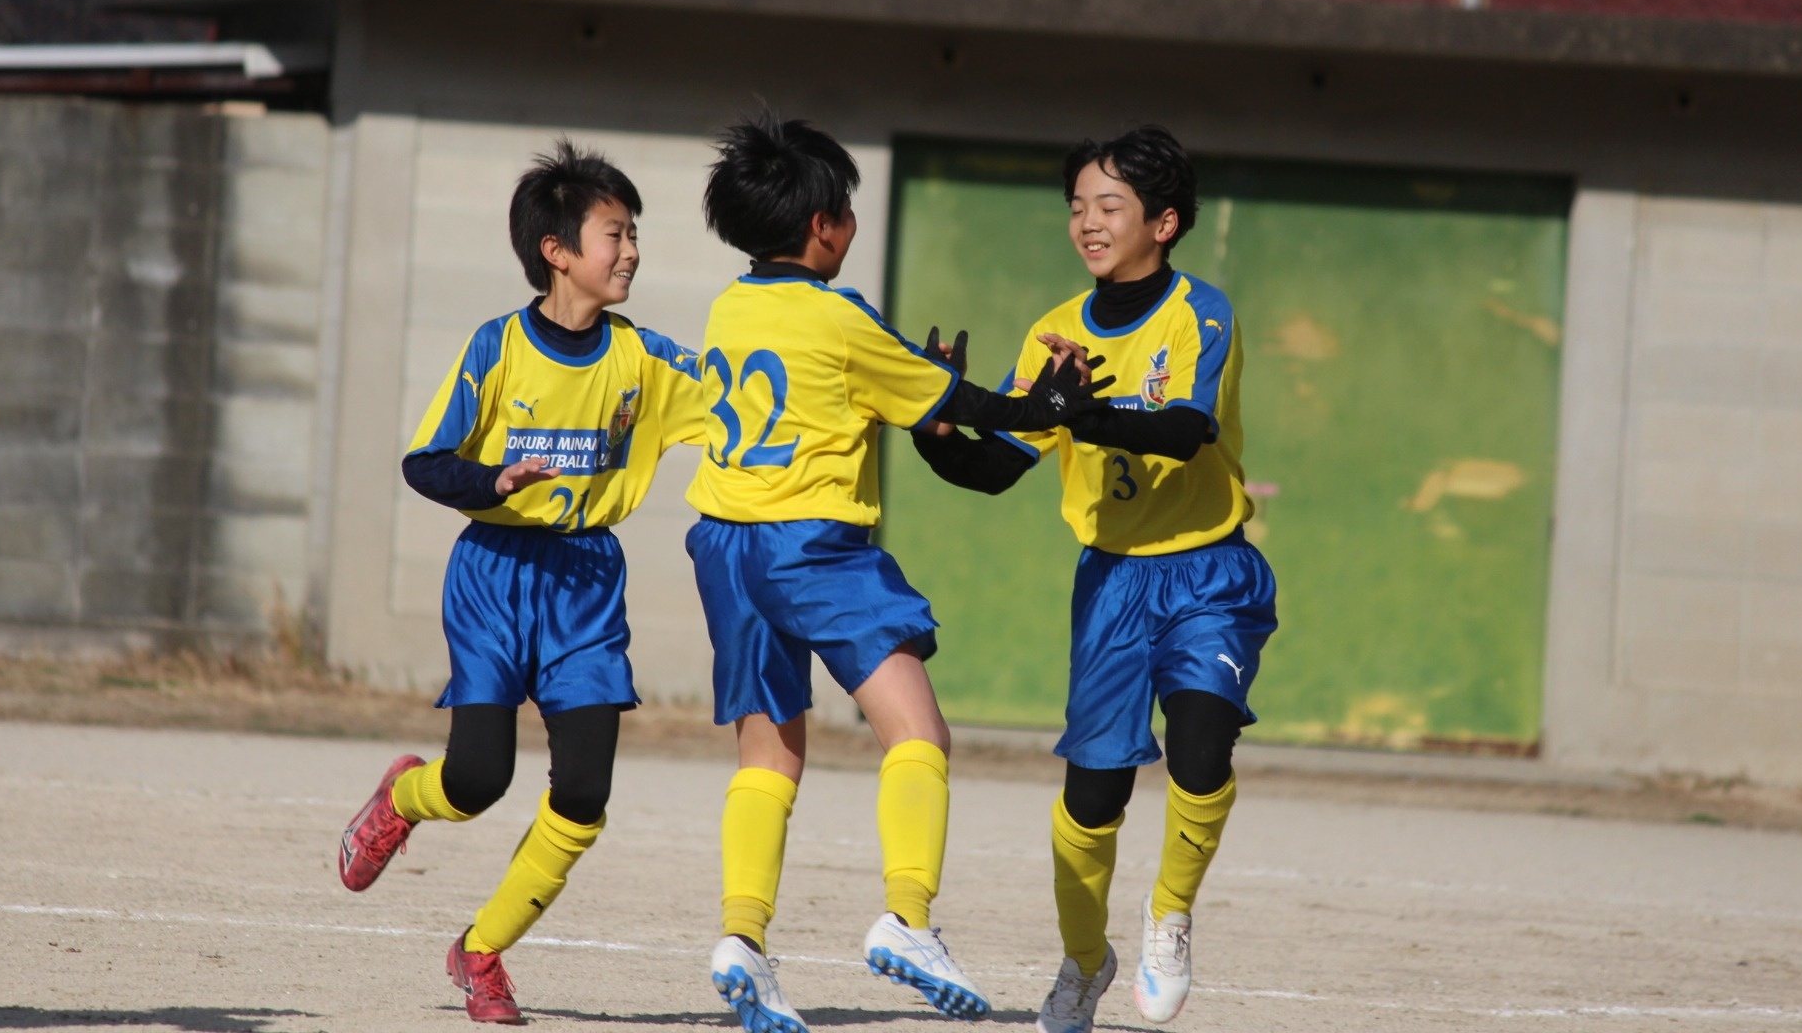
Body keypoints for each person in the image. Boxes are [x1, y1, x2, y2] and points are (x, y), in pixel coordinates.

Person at [686, 111, 1106, 1033]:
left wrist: (927, 385)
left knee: (769, 754)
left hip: (724, 545)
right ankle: (907, 919)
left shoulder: (730, 306)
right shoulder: (840, 315)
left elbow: (905, 394)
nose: (851, 224)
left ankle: (742, 939)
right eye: (846, 210)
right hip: (811, 544)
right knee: (919, 733)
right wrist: (1049, 404)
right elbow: (961, 403)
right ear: (822, 225)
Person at [911, 126, 1277, 1033]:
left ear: (1166, 222)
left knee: (1202, 747)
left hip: (1209, 573)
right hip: (1112, 583)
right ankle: (1084, 961)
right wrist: (936, 432)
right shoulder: (1057, 331)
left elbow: (1185, 430)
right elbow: (997, 467)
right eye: (1077, 206)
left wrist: (1084, 413)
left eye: (1109, 205)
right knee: (1094, 795)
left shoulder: (1201, 311)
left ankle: (1170, 917)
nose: (1088, 222)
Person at [335, 141, 706, 1025]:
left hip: (587, 581)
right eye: (616, 233)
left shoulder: (647, 360)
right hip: (495, 576)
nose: (632, 251)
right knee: (477, 780)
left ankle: (482, 953)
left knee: (583, 794)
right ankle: (403, 796)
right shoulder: (496, 346)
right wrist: (492, 479)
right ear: (557, 250)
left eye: (635, 234)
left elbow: (748, 401)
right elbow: (425, 462)